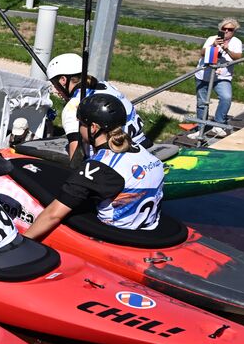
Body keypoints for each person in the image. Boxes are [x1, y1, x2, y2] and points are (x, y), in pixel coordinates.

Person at [25, 93, 166, 242]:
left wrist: (22, 242)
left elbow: (53, 215)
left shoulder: (99, 167)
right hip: (149, 230)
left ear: (93, 128)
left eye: (81, 124)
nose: (79, 129)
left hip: (115, 237)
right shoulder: (142, 151)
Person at [45, 52, 145, 159]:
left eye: (55, 85)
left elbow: (76, 158)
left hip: (115, 157)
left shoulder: (73, 107)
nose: (55, 91)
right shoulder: (107, 86)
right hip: (141, 146)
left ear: (63, 80)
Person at [195, 18, 244, 137]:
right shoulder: (212, 39)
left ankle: (218, 124)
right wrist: (214, 46)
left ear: (234, 31)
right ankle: (201, 128)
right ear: (220, 29)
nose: (227, 31)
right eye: (224, 29)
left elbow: (238, 57)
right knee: (202, 102)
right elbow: (202, 53)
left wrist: (226, 48)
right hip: (204, 75)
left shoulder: (236, 42)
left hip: (222, 77)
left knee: (226, 97)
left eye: (230, 29)